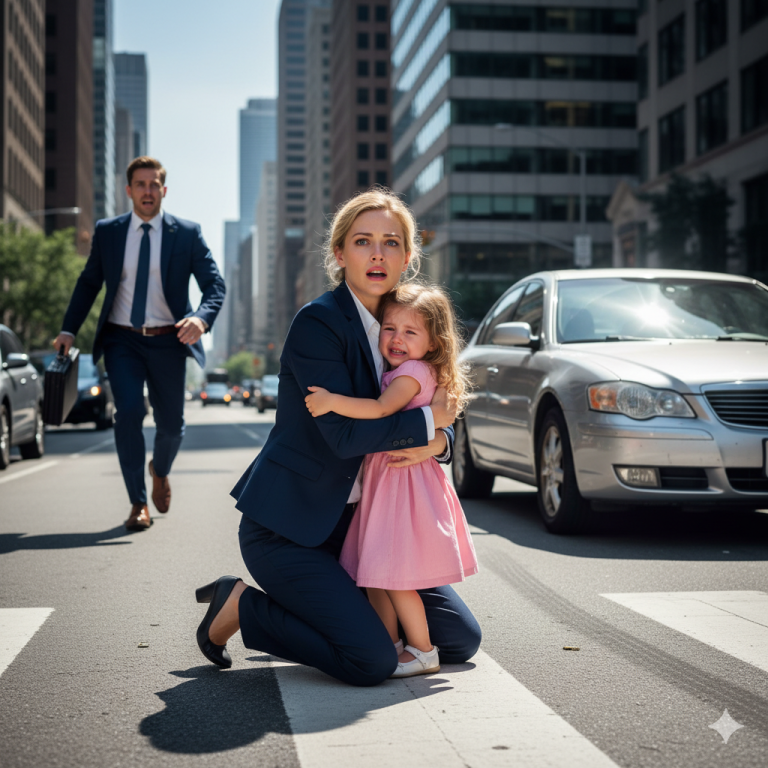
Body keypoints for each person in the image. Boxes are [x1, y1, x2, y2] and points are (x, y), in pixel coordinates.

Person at [194, 188, 481, 686]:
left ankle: (328, 611)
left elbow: (438, 398)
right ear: (339, 252)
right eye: (363, 241)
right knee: (371, 659)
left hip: (368, 526)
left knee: (458, 638)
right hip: (292, 530)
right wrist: (430, 424)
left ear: (408, 258)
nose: (377, 253)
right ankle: (242, 604)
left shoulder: (408, 324)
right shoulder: (319, 323)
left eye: (391, 243)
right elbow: (347, 436)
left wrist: (440, 441)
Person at [304, 282, 479, 678]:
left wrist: (332, 402)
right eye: (389, 329)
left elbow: (383, 409)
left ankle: (422, 650)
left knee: (395, 576)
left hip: (402, 484)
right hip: (388, 482)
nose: (396, 339)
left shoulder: (413, 372)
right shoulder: (403, 368)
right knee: (375, 574)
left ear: (433, 343)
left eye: (410, 332)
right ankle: (393, 644)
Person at [53, 156, 225, 531]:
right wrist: (68, 329)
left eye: (154, 185)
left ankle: (159, 470)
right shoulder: (109, 232)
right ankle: (137, 502)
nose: (147, 191)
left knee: (172, 427)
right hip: (122, 340)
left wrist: (200, 317)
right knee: (128, 412)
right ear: (128, 190)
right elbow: (88, 284)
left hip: (169, 340)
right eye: (140, 184)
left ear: (164, 191)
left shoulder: (188, 233)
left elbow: (215, 285)